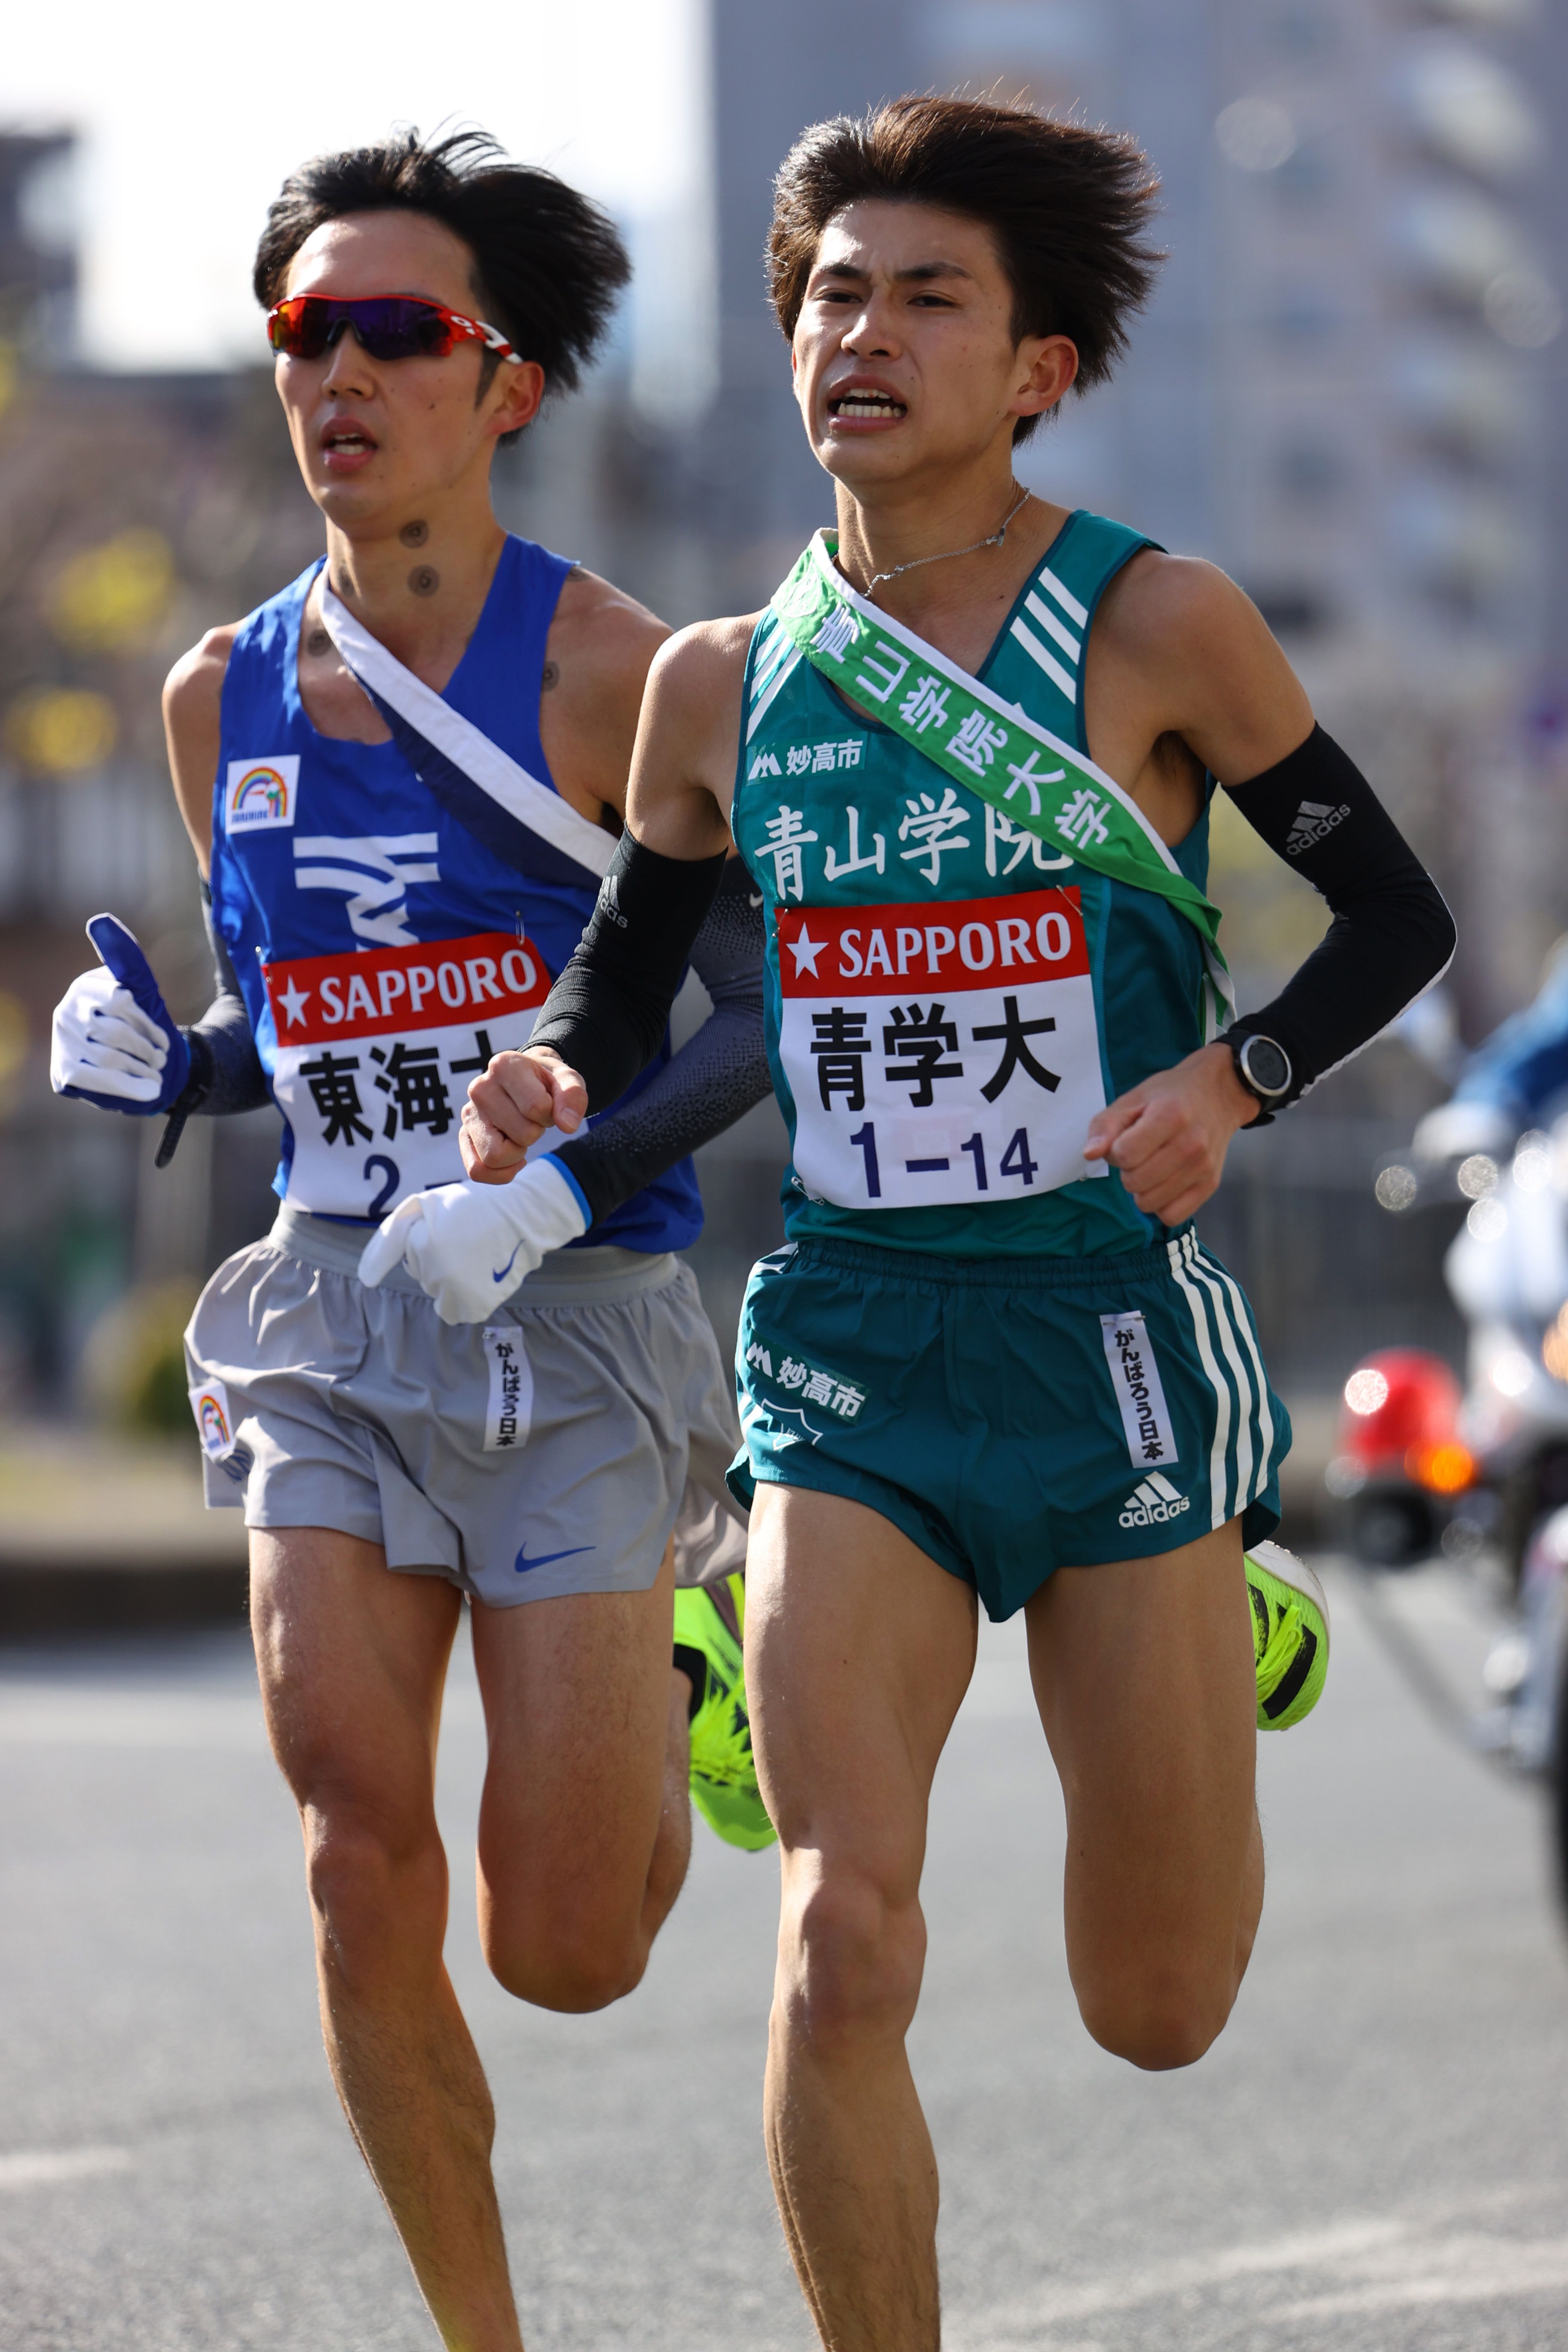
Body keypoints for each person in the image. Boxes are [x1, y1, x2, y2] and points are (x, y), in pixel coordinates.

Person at [426, 96, 1458, 2350]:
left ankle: (1212, 1573)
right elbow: (629, 967)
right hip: (852, 1350)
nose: (861, 333)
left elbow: (1394, 914)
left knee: (1159, 2008)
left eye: (927, 296)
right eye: (827, 295)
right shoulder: (722, 682)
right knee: (844, 1937)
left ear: (1038, 369)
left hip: (1104, 1342)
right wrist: (552, 1067)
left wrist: (1235, 1074)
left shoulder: (1161, 621)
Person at [48, 129, 774, 2352]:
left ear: (509, 386)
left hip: (578, 1316)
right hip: (329, 1317)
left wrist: (551, 1181)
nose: (341, 371)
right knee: (359, 1837)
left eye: (400, 333)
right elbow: (302, 1035)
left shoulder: (625, 673)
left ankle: (676, 1664)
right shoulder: (213, 698)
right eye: (306, 331)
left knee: (568, 1941)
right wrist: (175, 1066)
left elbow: (760, 1021)